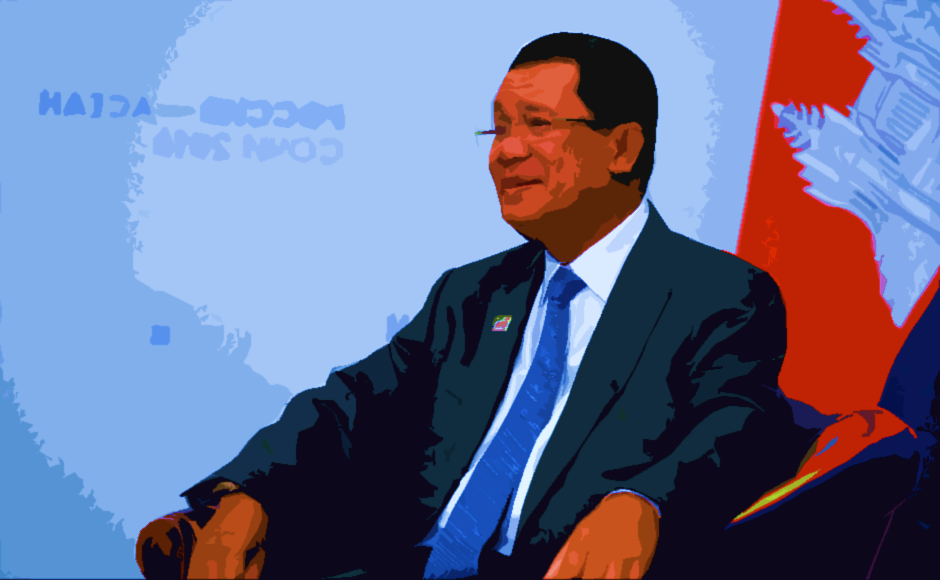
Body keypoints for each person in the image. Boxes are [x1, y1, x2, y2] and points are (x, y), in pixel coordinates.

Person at [137, 32, 812, 579]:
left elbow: (738, 424)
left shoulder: (718, 293)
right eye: (498, 129)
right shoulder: (472, 293)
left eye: (537, 125)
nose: (506, 152)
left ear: (622, 147)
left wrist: (642, 502)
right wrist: (249, 491)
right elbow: (353, 403)